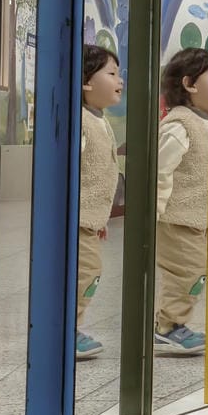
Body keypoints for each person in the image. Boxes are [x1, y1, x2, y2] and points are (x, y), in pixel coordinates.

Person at [154, 47, 208, 354]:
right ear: (190, 84)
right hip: (175, 217)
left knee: (192, 271)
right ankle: (169, 326)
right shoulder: (179, 124)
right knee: (188, 272)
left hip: (196, 218)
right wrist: (156, 212)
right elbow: (159, 171)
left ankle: (170, 322)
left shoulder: (205, 123)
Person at [77, 45, 124, 360]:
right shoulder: (80, 121)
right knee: (86, 271)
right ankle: (64, 329)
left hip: (89, 218)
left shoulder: (99, 118)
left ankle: (69, 326)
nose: (120, 80)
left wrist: (100, 217)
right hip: (75, 219)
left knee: (87, 271)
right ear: (86, 82)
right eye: (112, 73)